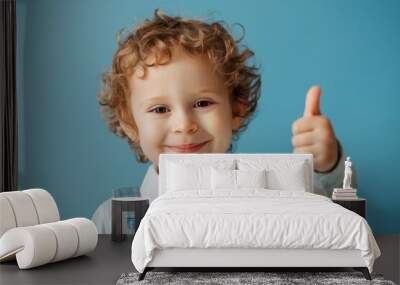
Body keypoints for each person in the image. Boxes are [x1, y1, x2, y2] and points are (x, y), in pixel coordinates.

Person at [93, 10, 356, 232]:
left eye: (202, 103)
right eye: (160, 109)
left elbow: (332, 225)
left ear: (236, 110)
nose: (184, 125)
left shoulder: (271, 199)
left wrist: (325, 166)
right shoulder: (111, 221)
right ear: (129, 123)